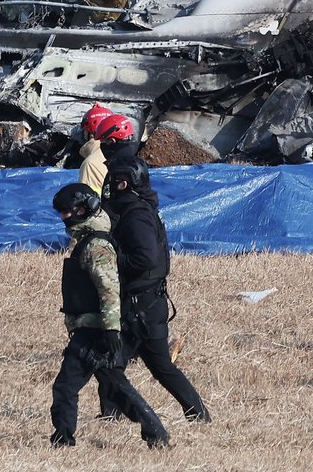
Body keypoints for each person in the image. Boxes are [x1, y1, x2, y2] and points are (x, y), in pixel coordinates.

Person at [49, 183, 169, 449]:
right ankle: (155, 431)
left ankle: (62, 440)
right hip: (95, 328)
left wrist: (112, 330)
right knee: (116, 386)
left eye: (67, 212)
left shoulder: (96, 247)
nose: (63, 218)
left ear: (83, 210)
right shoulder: (88, 241)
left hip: (93, 330)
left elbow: (109, 289)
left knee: (65, 387)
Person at [104, 153, 212, 423]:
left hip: (141, 306)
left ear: (125, 183)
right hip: (146, 303)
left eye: (115, 181)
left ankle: (115, 416)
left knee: (113, 364)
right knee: (147, 366)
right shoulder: (135, 209)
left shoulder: (135, 216)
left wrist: (112, 258)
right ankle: (197, 414)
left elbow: (145, 258)